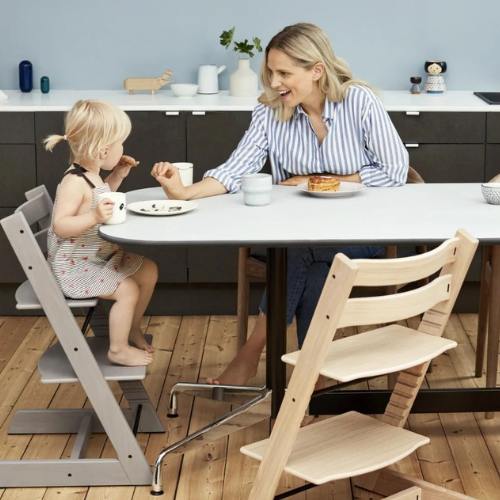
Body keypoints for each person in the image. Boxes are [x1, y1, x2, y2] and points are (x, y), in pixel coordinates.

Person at [151, 23, 409, 384]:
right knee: (312, 260)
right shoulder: (270, 112)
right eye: (271, 72)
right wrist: (184, 192)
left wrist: (315, 182)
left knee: (299, 253)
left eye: (284, 73)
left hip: (359, 234)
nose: (274, 82)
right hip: (299, 237)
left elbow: (395, 171)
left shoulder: (358, 102)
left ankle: (250, 355)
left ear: (316, 70)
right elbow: (236, 170)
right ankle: (314, 377)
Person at [45, 100, 158, 367]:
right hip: (74, 269)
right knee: (128, 289)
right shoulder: (74, 181)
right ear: (102, 149)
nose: (122, 148)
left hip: (96, 259)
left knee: (148, 270)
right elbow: (61, 224)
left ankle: (131, 327)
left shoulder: (92, 175)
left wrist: (118, 176)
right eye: (119, 143)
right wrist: (94, 217)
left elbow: (99, 195)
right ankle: (117, 349)